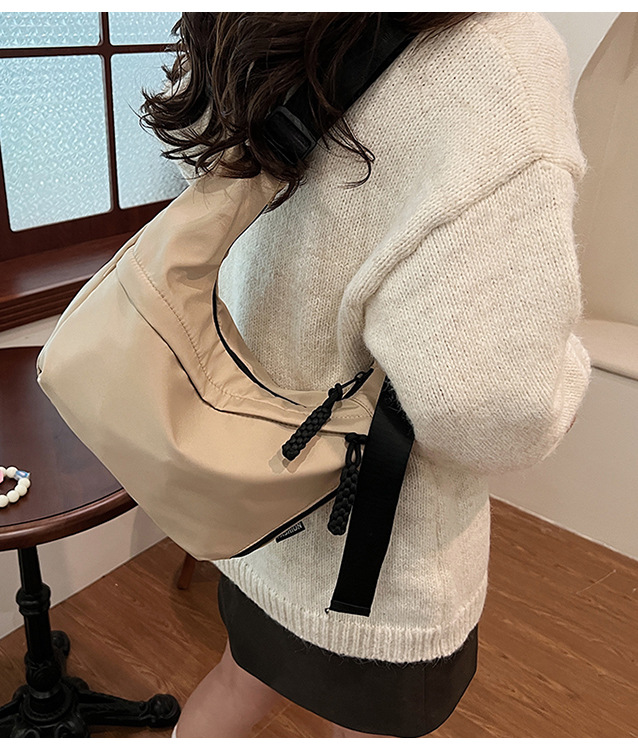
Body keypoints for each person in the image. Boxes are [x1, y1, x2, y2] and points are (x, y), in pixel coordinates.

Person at [140, 12, 591, 738]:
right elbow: (489, 402)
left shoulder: (243, 25)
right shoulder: (494, 58)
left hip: (250, 506)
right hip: (378, 569)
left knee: (235, 680)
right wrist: (567, 368)